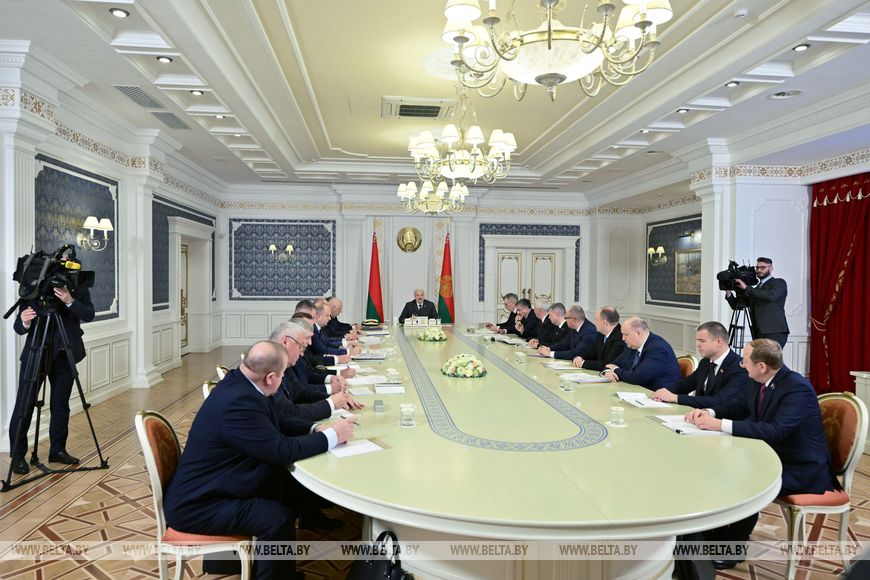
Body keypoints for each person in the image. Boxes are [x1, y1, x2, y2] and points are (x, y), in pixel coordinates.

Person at [163, 340, 355, 580]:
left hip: (220, 482)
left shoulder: (243, 383)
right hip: (199, 504)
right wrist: (332, 436)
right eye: (283, 375)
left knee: (289, 487)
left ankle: (280, 571)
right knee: (276, 519)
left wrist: (314, 429)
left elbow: (278, 421)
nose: (283, 380)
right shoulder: (238, 403)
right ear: (271, 377)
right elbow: (281, 450)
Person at [686, 339, 838, 569]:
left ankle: (733, 546)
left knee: (747, 482)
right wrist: (708, 412)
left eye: (745, 361)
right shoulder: (756, 380)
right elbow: (737, 406)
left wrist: (719, 425)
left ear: (762, 366)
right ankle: (712, 536)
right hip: (769, 455)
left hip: (801, 466)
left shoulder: (797, 388)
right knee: (717, 469)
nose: (742, 365)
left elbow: (775, 431)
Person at [8, 283, 95, 475]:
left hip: (65, 353)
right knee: (24, 405)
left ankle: (57, 450)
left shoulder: (76, 284)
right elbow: (19, 327)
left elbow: (89, 314)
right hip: (36, 352)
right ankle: (17, 456)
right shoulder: (35, 284)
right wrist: (24, 321)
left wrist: (70, 301)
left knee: (61, 405)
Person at [652, 321, 748, 408]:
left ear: (719, 342)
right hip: (696, 415)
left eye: (702, 341)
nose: (698, 345)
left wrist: (676, 398)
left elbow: (720, 400)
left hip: (719, 419)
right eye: (698, 341)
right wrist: (664, 392)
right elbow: (686, 384)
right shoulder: (705, 362)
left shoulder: (739, 367)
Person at [725, 256, 789, 347]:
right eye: (757, 267)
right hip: (758, 332)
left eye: (763, 267)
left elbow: (771, 296)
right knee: (760, 356)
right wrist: (728, 292)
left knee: (770, 356)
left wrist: (747, 288)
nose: (759, 270)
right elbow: (737, 305)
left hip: (775, 332)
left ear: (771, 268)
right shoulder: (756, 289)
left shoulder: (779, 282)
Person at [603, 317, 680, 389]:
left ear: (638, 333)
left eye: (626, 334)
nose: (623, 338)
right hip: (636, 390)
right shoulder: (632, 345)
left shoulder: (658, 349)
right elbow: (612, 364)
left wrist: (615, 369)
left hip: (658, 394)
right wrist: (608, 372)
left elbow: (637, 378)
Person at [572, 306, 625, 371]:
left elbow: (607, 364)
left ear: (604, 323)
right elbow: (591, 352)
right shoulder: (601, 334)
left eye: (596, 320)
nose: (594, 322)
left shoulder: (620, 337)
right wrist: (580, 357)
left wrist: (583, 363)